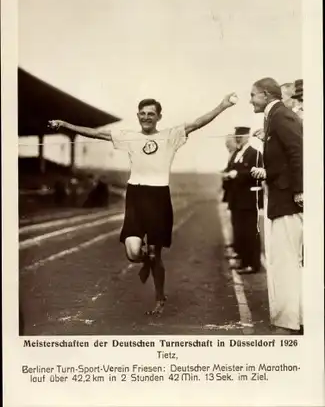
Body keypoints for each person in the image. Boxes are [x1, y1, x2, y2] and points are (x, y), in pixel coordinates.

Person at [48, 93, 237, 315]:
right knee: (132, 252)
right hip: (136, 196)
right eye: (143, 114)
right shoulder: (129, 137)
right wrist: (65, 124)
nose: (146, 117)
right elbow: (97, 133)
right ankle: (147, 260)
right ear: (138, 115)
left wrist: (222, 105)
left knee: (157, 255)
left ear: (159, 117)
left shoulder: (171, 135)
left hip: (158, 197)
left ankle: (160, 298)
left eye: (151, 114)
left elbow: (198, 122)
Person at [250, 77, 303, 334]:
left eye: (253, 95)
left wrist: (300, 190)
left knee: (285, 261)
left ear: (266, 95)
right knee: (287, 260)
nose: (251, 100)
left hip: (287, 201)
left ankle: (288, 323)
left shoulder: (281, 116)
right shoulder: (274, 118)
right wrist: (266, 171)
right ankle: (293, 319)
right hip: (282, 197)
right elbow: (283, 158)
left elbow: (298, 151)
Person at [222, 127, 263, 274]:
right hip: (237, 200)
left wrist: (237, 174)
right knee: (240, 232)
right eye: (236, 136)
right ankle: (245, 262)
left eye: (241, 136)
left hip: (249, 200)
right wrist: (227, 176)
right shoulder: (237, 154)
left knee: (251, 233)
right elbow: (230, 171)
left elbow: (257, 173)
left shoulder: (254, 153)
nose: (238, 139)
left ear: (247, 136)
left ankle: (253, 264)